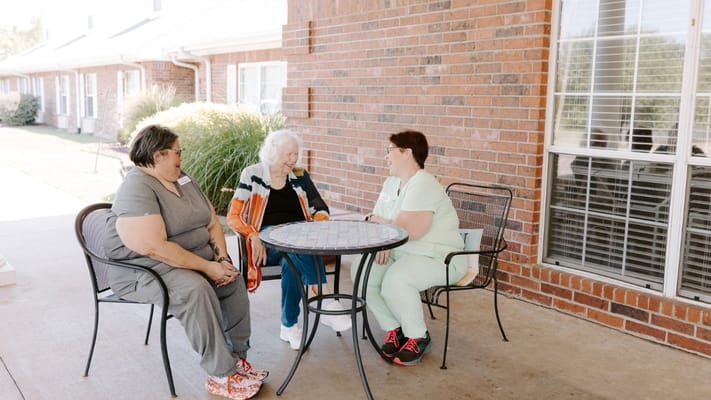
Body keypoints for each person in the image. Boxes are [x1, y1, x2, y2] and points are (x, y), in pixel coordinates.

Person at [103, 125, 266, 400]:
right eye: (177, 152)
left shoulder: (181, 178)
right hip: (144, 269)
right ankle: (220, 375)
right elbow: (153, 247)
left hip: (188, 259)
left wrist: (222, 260)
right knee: (196, 289)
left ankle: (236, 360)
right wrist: (207, 268)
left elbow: (212, 220)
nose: (182, 156)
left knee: (231, 279)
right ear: (158, 155)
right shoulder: (137, 187)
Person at [226, 129, 351, 350]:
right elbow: (233, 216)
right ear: (272, 153)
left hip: (299, 241)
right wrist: (252, 234)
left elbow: (320, 207)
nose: (293, 159)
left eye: (295, 154)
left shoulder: (300, 175)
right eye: (287, 154)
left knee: (292, 261)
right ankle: (324, 299)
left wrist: (319, 223)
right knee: (295, 249)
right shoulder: (253, 174)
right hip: (266, 244)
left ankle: (289, 326)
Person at [351, 130, 465, 366]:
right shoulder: (391, 183)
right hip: (400, 252)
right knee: (362, 274)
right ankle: (394, 328)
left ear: (407, 153)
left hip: (439, 257)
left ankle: (418, 336)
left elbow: (410, 230)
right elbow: (378, 221)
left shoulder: (424, 183)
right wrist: (382, 230)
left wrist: (380, 226)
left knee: (396, 280)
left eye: (390, 151)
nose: (386, 156)